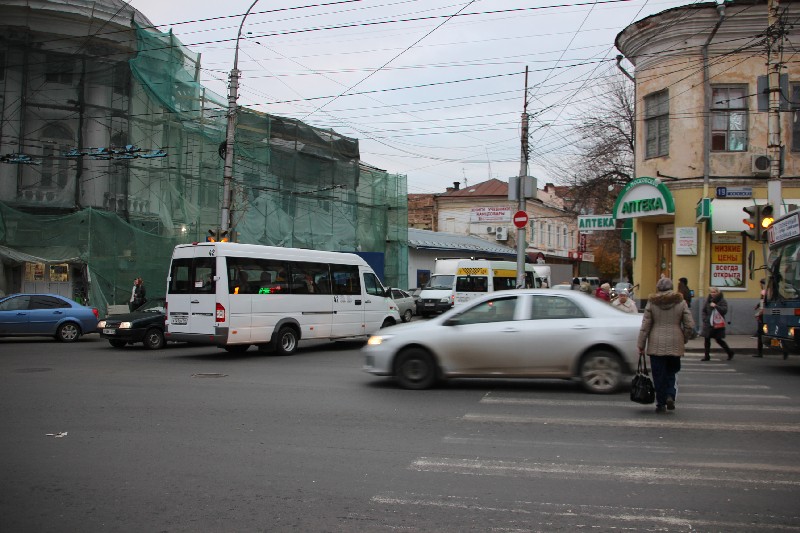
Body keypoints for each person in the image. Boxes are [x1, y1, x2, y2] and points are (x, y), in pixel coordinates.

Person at [637, 277, 695, 413]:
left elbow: (645, 325)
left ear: (658, 288)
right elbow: (689, 325)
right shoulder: (681, 302)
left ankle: (660, 403)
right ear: (671, 288)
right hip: (675, 341)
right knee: (672, 372)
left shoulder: (652, 303)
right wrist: (684, 338)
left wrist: (641, 344)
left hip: (656, 343)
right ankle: (670, 394)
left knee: (658, 374)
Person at [701, 286, 734, 361]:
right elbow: (704, 310)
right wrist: (705, 319)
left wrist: (716, 306)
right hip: (708, 323)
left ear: (717, 292)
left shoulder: (722, 300)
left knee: (718, 339)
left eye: (714, 292)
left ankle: (730, 352)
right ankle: (707, 356)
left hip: (718, 323)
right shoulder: (708, 300)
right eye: (711, 292)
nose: (712, 294)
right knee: (707, 339)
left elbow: (724, 310)